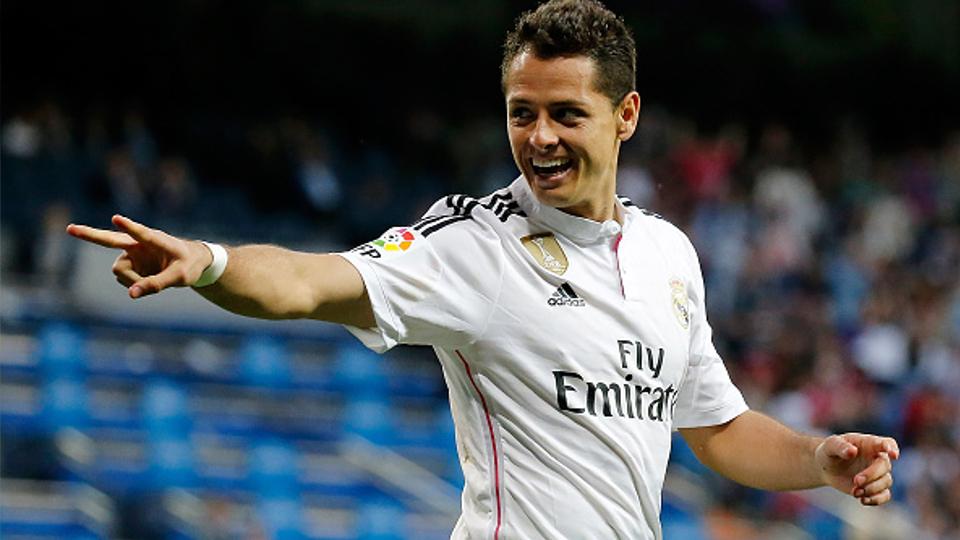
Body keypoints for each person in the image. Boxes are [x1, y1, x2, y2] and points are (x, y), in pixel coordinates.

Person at [67, 1, 898, 538]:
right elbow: (311, 283)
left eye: (566, 114)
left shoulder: (668, 255)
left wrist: (816, 460)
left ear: (626, 116)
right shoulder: (476, 246)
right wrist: (210, 262)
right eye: (521, 113)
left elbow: (715, 427)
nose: (539, 137)